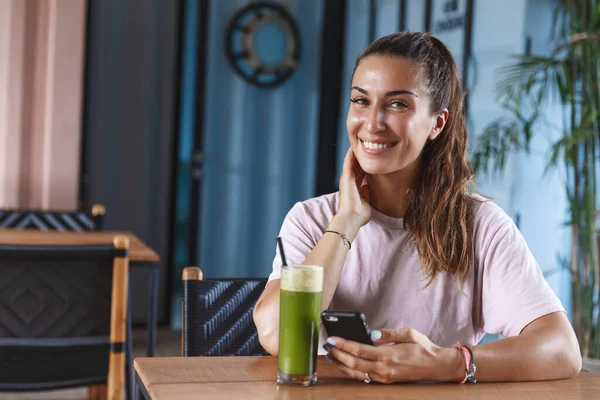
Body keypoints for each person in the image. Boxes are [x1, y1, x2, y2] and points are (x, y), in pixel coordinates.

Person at [253, 31, 581, 384]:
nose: (373, 122)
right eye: (360, 100)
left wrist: (447, 363)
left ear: (437, 123)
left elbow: (561, 348)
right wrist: (345, 223)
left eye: (398, 104)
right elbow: (274, 334)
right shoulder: (311, 220)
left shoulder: (480, 226)